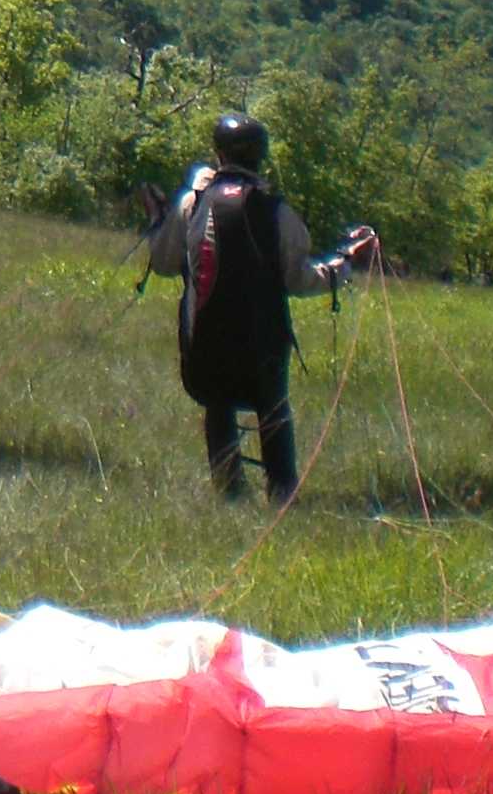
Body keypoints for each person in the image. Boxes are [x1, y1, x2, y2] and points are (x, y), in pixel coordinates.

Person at [142, 113, 375, 504]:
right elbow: (299, 279)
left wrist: (155, 222)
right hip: (261, 346)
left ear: (218, 153)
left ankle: (229, 491)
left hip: (203, 343)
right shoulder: (277, 212)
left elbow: (164, 263)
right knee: (273, 409)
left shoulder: (192, 202)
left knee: (218, 405)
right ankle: (282, 494)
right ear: (261, 157)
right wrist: (344, 263)